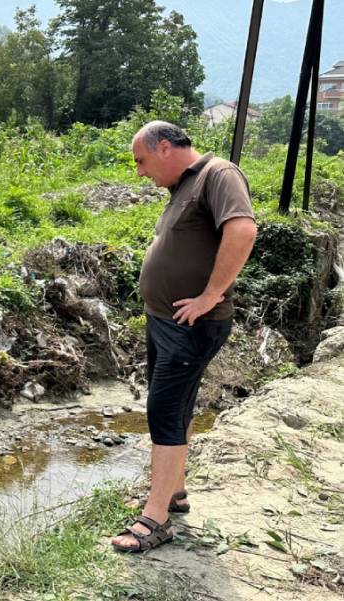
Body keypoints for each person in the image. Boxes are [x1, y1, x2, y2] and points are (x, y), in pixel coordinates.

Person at [111, 121, 257, 553]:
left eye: (141, 161)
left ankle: (155, 521)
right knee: (176, 405)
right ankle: (173, 492)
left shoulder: (219, 175)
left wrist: (211, 295)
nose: (139, 172)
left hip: (189, 325)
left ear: (165, 148)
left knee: (165, 410)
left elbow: (243, 229)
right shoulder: (182, 187)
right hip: (166, 320)